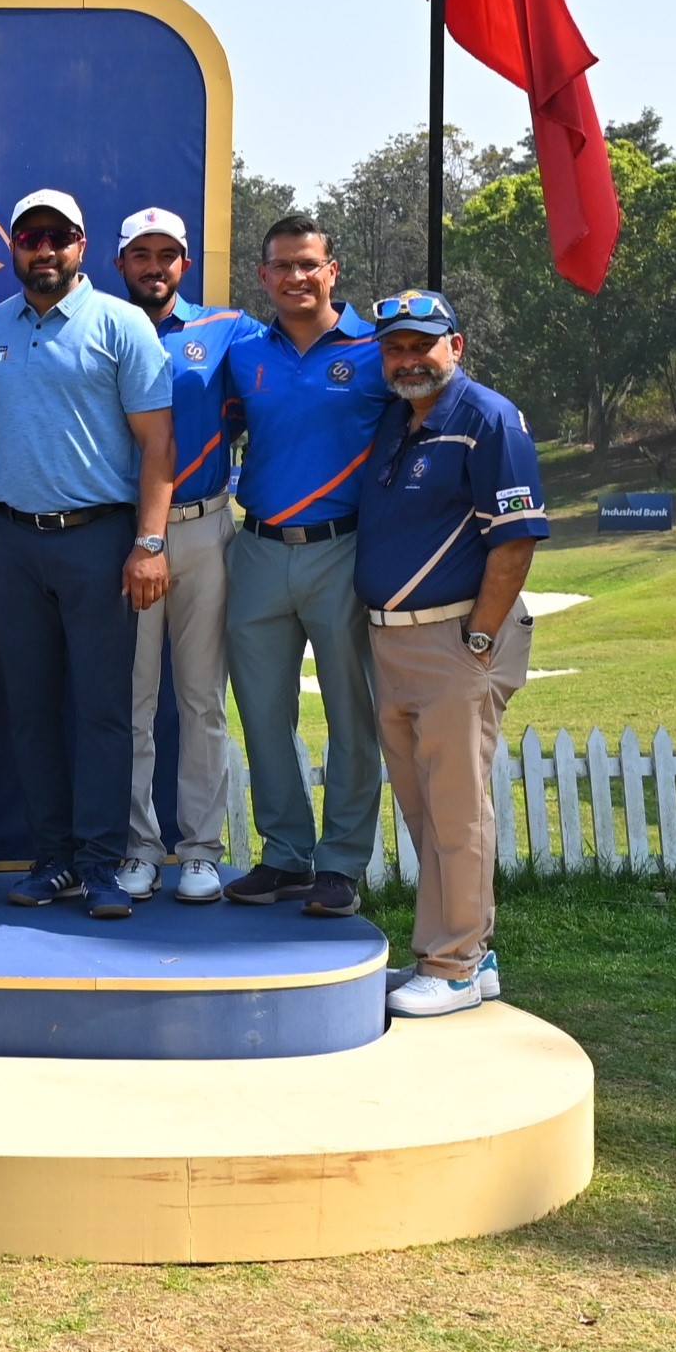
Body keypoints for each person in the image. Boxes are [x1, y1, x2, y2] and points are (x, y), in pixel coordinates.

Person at [0, 189, 176, 918]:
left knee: (103, 711)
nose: (44, 249)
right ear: (14, 247)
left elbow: (159, 444)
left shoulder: (122, 324)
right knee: (29, 710)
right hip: (12, 539)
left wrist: (149, 543)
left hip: (99, 537)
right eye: (31, 238)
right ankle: (52, 859)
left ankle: (100, 865)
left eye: (58, 237)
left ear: (82, 246)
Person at [358, 291, 546, 1017]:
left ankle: (456, 965)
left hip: (454, 638)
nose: (408, 360)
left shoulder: (488, 418)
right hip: (394, 639)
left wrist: (480, 638)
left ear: (455, 347)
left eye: (422, 345)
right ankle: (464, 953)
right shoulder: (397, 418)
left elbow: (516, 540)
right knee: (425, 810)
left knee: (457, 810)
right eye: (395, 348)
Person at [219, 214, 397, 918]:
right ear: (262, 275)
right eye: (282, 266)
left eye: (308, 264)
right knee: (262, 714)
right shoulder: (243, 355)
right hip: (258, 549)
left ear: (332, 271)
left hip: (343, 549)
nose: (296, 277)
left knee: (353, 714)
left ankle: (342, 863)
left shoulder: (377, 349)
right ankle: (286, 855)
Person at [112, 207, 256, 905]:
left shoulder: (226, 329)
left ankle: (200, 850)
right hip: (125, 535)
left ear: (185, 264)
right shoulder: (101, 327)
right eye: (141, 254)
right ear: (120, 263)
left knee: (202, 700)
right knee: (132, 701)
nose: (154, 266)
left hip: (203, 528)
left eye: (166, 254)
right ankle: (139, 847)